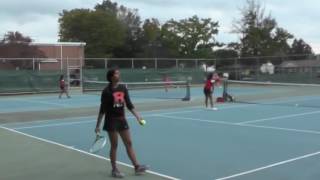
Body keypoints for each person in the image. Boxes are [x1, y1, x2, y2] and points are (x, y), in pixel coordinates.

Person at [95, 69, 148, 178]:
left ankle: (137, 167)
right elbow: (102, 109)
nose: (119, 75)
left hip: (121, 119)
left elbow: (129, 104)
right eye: (116, 73)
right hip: (111, 121)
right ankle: (114, 170)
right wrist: (98, 125)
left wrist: (138, 116)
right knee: (114, 145)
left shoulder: (123, 88)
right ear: (111, 77)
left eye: (118, 73)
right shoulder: (106, 91)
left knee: (128, 143)